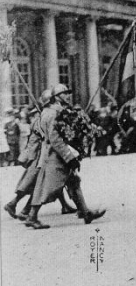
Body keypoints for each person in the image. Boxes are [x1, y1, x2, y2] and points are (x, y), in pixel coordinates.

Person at [25, 84, 106, 229]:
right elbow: (55, 138)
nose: (68, 96)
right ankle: (31, 216)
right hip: (55, 156)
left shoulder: (57, 111)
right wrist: (69, 156)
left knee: (73, 182)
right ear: (55, 98)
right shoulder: (52, 113)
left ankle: (85, 212)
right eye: (65, 93)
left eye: (68, 93)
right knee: (49, 186)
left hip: (57, 154)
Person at [4, 91, 78, 221]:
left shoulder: (44, 116)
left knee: (50, 182)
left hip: (42, 155)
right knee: (39, 184)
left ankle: (64, 206)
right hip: (40, 156)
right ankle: (22, 209)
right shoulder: (42, 119)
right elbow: (44, 138)